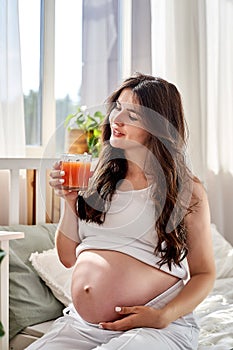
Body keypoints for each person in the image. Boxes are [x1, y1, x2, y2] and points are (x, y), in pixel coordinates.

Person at [26, 73, 215, 350]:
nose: (117, 119)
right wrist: (69, 202)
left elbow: (204, 274)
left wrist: (163, 316)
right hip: (82, 327)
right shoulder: (95, 183)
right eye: (118, 107)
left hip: (154, 328)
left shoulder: (186, 190)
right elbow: (68, 258)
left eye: (133, 115)